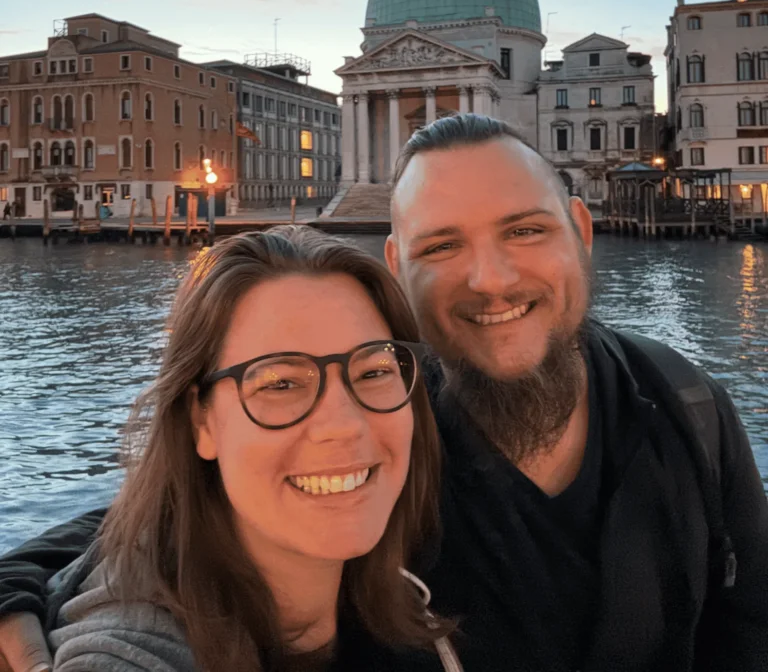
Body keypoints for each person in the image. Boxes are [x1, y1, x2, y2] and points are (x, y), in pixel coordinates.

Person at [1, 114, 767, 671]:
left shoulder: (688, 404)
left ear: (580, 231)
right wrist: (17, 582)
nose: (492, 279)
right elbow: (178, 522)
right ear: (399, 263)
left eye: (526, 231)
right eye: (442, 245)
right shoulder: (379, 426)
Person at [0, 227, 460, 672]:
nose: (344, 425)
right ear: (201, 421)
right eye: (280, 383)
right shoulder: (129, 644)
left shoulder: (399, 579)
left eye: (374, 372)